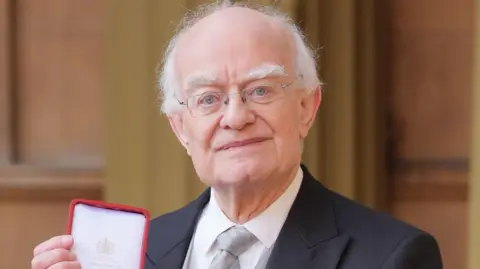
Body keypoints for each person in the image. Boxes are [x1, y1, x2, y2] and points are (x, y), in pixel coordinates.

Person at [31, 1, 443, 269]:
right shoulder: (138, 253)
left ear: (306, 107)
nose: (235, 116)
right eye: (208, 99)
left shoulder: (391, 257)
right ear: (180, 128)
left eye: (259, 90)